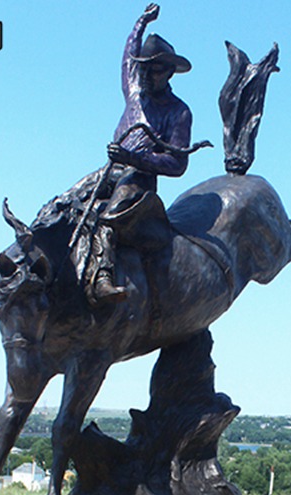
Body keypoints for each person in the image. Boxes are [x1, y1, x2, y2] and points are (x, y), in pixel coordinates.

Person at [87, 3, 193, 305]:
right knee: (70, 204)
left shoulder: (179, 112)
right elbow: (127, 58)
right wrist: (140, 23)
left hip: (139, 179)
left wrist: (136, 159)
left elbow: (177, 163)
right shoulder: (134, 92)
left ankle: (103, 276)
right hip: (110, 171)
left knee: (110, 216)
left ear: (169, 71)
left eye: (154, 68)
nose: (146, 74)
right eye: (144, 67)